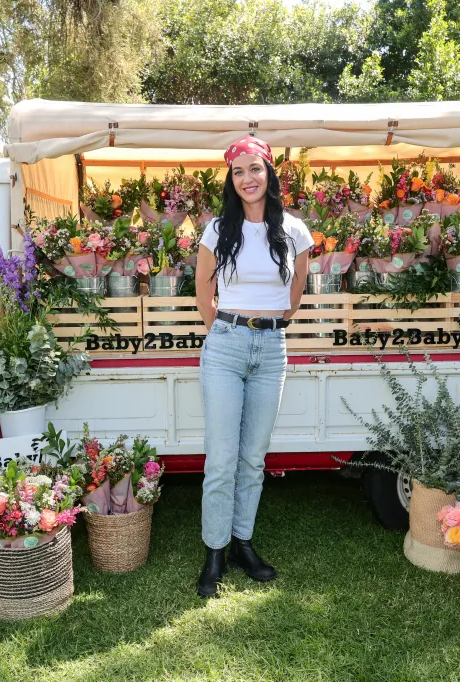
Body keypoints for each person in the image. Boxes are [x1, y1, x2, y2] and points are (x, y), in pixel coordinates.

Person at [193, 135, 313, 598]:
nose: (247, 178)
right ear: (231, 178)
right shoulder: (218, 229)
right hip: (225, 346)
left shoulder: (295, 231)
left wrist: (271, 322)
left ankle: (242, 543)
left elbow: (297, 291)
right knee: (221, 458)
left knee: (253, 457)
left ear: (269, 173)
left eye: (255, 169)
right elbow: (204, 290)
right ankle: (215, 552)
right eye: (238, 171)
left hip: (271, 349)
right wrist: (225, 328)